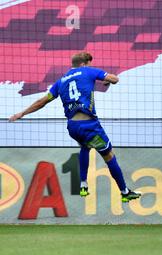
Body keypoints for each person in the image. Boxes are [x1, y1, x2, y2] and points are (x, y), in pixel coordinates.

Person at [9, 52, 141, 202]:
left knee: (85, 146)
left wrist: (22, 113)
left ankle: (83, 184)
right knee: (109, 156)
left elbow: (42, 101)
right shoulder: (89, 71)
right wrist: (108, 81)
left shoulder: (61, 81)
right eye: (89, 64)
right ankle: (124, 192)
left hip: (73, 127)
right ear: (84, 64)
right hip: (89, 126)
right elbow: (115, 79)